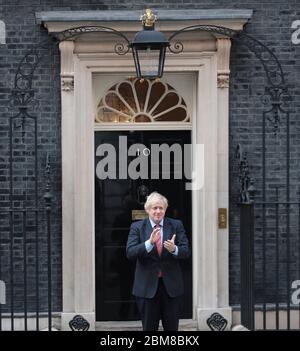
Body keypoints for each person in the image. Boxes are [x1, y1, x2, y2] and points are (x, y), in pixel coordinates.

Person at [126, 191, 190, 331]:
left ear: (165, 209)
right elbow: (130, 252)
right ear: (148, 210)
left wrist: (174, 249)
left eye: (161, 208)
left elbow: (186, 251)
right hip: (147, 287)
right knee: (149, 329)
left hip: (171, 287)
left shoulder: (176, 225)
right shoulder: (137, 228)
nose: (158, 211)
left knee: (172, 329)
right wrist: (149, 243)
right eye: (154, 208)